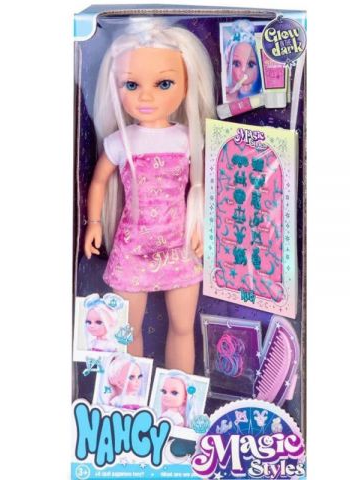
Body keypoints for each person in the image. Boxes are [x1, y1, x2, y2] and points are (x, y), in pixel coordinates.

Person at [84, 18, 215, 373]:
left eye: (163, 84)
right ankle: (130, 392)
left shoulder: (188, 137)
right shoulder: (121, 141)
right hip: (133, 248)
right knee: (127, 331)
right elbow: (98, 183)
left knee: (183, 327)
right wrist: (94, 222)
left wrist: (200, 226)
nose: (145, 97)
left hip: (179, 245)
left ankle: (180, 392)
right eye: (131, 84)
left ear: (187, 83)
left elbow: (202, 185)